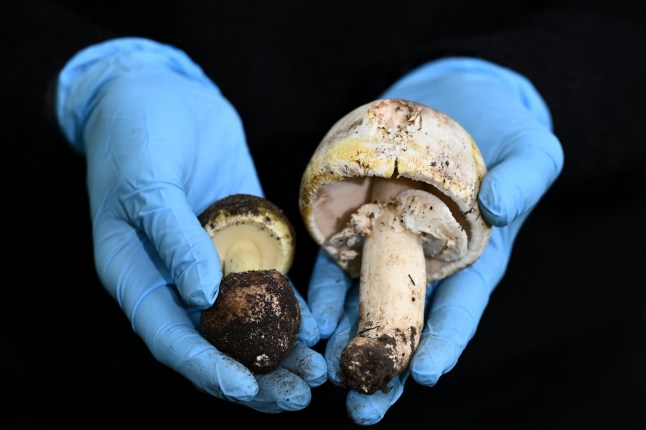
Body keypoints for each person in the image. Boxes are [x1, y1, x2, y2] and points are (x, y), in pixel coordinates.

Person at [4, 1, 645, 427]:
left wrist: (528, 79)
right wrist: (82, 78)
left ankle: (379, 347)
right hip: (89, 375)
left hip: (546, 384)